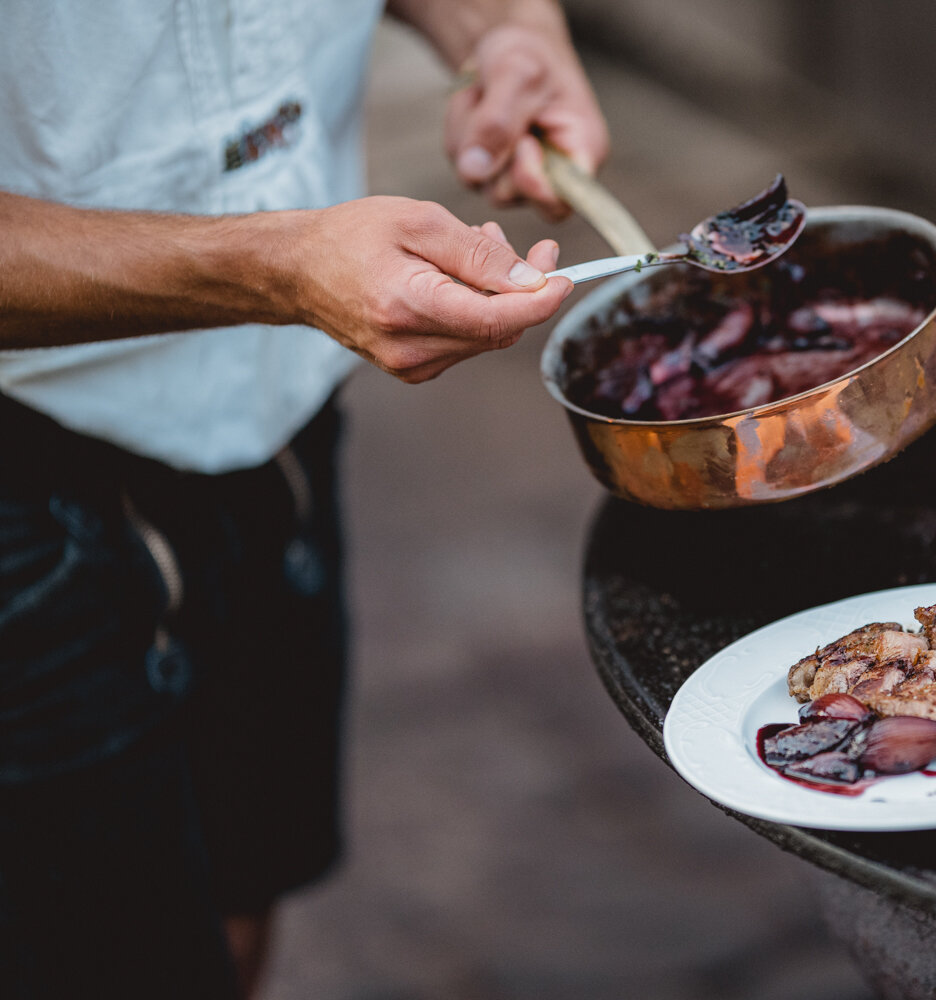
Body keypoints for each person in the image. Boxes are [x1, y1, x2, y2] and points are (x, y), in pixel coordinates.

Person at [0, 1, 608, 996]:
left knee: (240, 906)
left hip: (283, 410)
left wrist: (507, 32)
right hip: (25, 473)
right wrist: (272, 266)